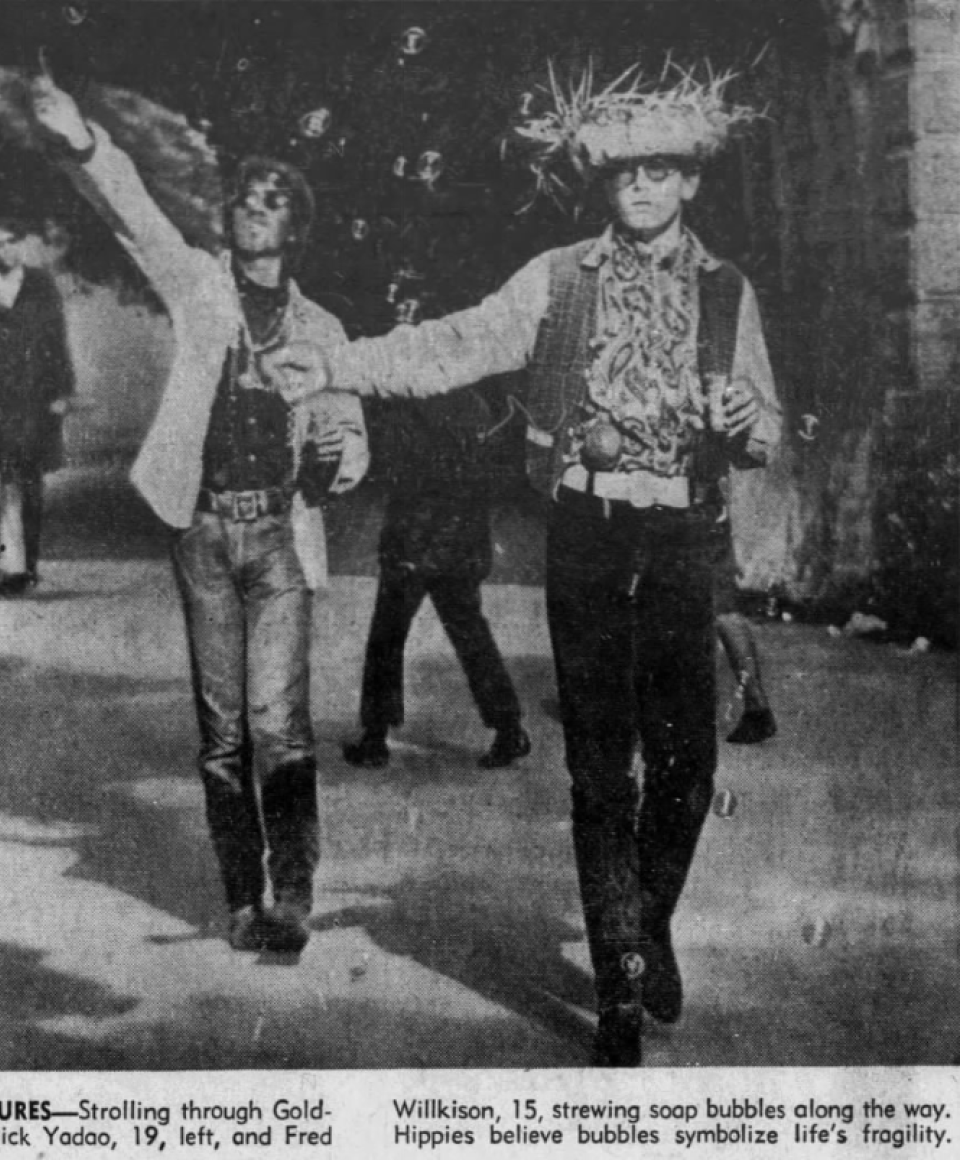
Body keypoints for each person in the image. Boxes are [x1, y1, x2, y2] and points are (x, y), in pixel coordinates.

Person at [270, 71, 782, 1064]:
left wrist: (742, 424)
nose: (639, 186)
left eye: (660, 170)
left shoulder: (727, 291)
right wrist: (338, 364)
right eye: (625, 170)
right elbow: (454, 345)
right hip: (586, 536)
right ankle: (620, 989)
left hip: (679, 541)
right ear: (606, 181)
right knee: (600, 772)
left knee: (687, 767)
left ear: (689, 182)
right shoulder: (557, 278)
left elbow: (759, 427)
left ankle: (648, 920)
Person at [32, 76, 369, 954]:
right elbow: (137, 212)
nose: (253, 213)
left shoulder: (325, 327)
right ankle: (240, 897)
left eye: (272, 204)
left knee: (277, 725)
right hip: (205, 534)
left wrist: (337, 457)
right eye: (244, 201)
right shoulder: (199, 289)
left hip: (283, 539)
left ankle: (292, 894)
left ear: (295, 227)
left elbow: (352, 445)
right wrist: (82, 140)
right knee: (221, 735)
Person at [343, 388, 530, 770]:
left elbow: (397, 470)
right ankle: (509, 729)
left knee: (387, 638)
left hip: (413, 541)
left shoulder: (410, 404)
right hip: (460, 544)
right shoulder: (479, 404)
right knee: (471, 634)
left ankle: (376, 737)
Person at [0, 219, 75, 596]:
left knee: (33, 482)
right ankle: (13, 567)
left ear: (22, 244)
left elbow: (57, 338)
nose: (5, 249)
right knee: (9, 479)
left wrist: (62, 391)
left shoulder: (41, 286)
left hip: (40, 398)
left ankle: (30, 564)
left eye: (11, 241)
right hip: (4, 401)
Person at [710, 476, 778, 744]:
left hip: (693, 509)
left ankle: (757, 707)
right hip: (696, 505)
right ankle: (757, 707)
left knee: (722, 609)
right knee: (722, 609)